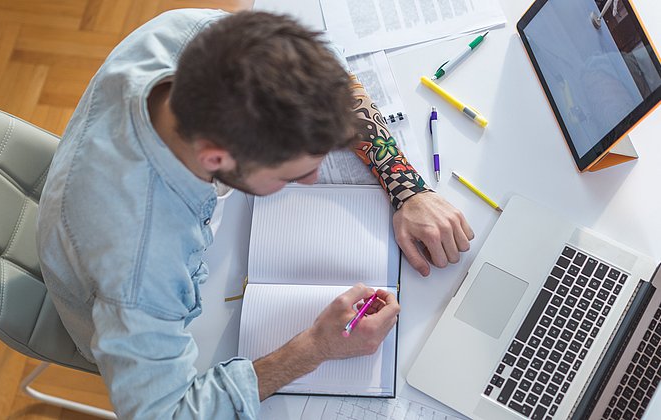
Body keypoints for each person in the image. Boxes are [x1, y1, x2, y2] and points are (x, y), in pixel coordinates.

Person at [36, 9, 474, 419]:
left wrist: (406, 187)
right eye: (295, 174)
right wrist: (313, 348)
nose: (311, 183)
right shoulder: (142, 267)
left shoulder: (191, 33)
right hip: (141, 326)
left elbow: (334, 79)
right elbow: (166, 412)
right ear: (216, 160)